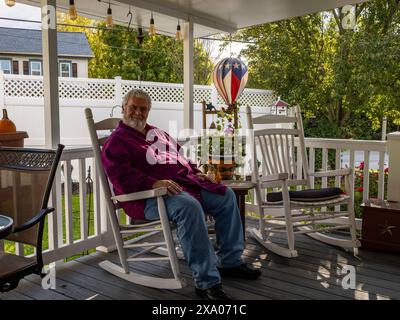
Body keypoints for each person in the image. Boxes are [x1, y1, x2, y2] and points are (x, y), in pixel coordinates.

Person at [101, 89, 261, 300]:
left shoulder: (157, 134)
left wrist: (197, 173)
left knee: (226, 195)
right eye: (133, 107)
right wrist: (155, 182)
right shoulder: (116, 142)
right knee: (189, 207)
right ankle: (207, 283)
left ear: (148, 111)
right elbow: (122, 178)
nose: (138, 113)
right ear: (123, 108)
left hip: (184, 186)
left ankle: (230, 262)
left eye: (143, 109)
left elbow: (181, 157)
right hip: (146, 197)